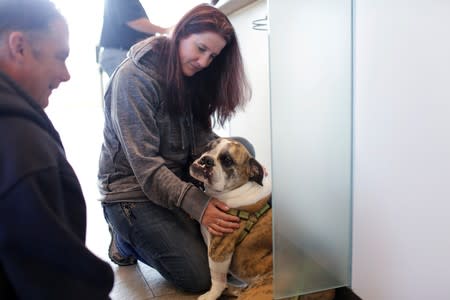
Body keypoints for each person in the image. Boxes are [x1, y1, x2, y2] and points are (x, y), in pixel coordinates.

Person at [98, 3, 251, 293]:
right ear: (180, 34)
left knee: (241, 149)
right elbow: (147, 168)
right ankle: (123, 238)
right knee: (199, 277)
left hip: (176, 178)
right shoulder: (134, 78)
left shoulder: (192, 75)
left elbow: (202, 141)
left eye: (213, 56)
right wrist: (199, 205)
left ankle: (178, 222)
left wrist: (246, 163)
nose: (205, 62)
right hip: (132, 192)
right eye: (201, 48)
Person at [0, 0, 114, 299]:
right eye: (60, 57)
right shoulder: (22, 149)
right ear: (19, 46)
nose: (66, 75)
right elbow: (60, 285)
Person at [98, 0, 170, 76]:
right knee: (131, 84)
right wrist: (166, 30)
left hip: (122, 52)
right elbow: (134, 21)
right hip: (120, 53)